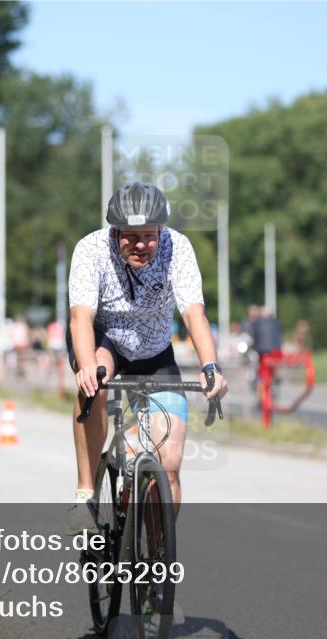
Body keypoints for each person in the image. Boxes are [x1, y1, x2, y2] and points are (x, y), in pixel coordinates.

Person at [66, 182, 228, 534]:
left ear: (160, 231)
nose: (140, 245)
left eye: (148, 236)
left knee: (169, 464)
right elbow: (81, 317)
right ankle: (86, 494)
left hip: (154, 351)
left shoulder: (177, 247)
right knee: (96, 383)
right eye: (130, 236)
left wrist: (210, 366)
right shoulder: (90, 249)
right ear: (115, 231)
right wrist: (87, 364)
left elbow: (194, 314)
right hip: (104, 340)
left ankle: (157, 554)